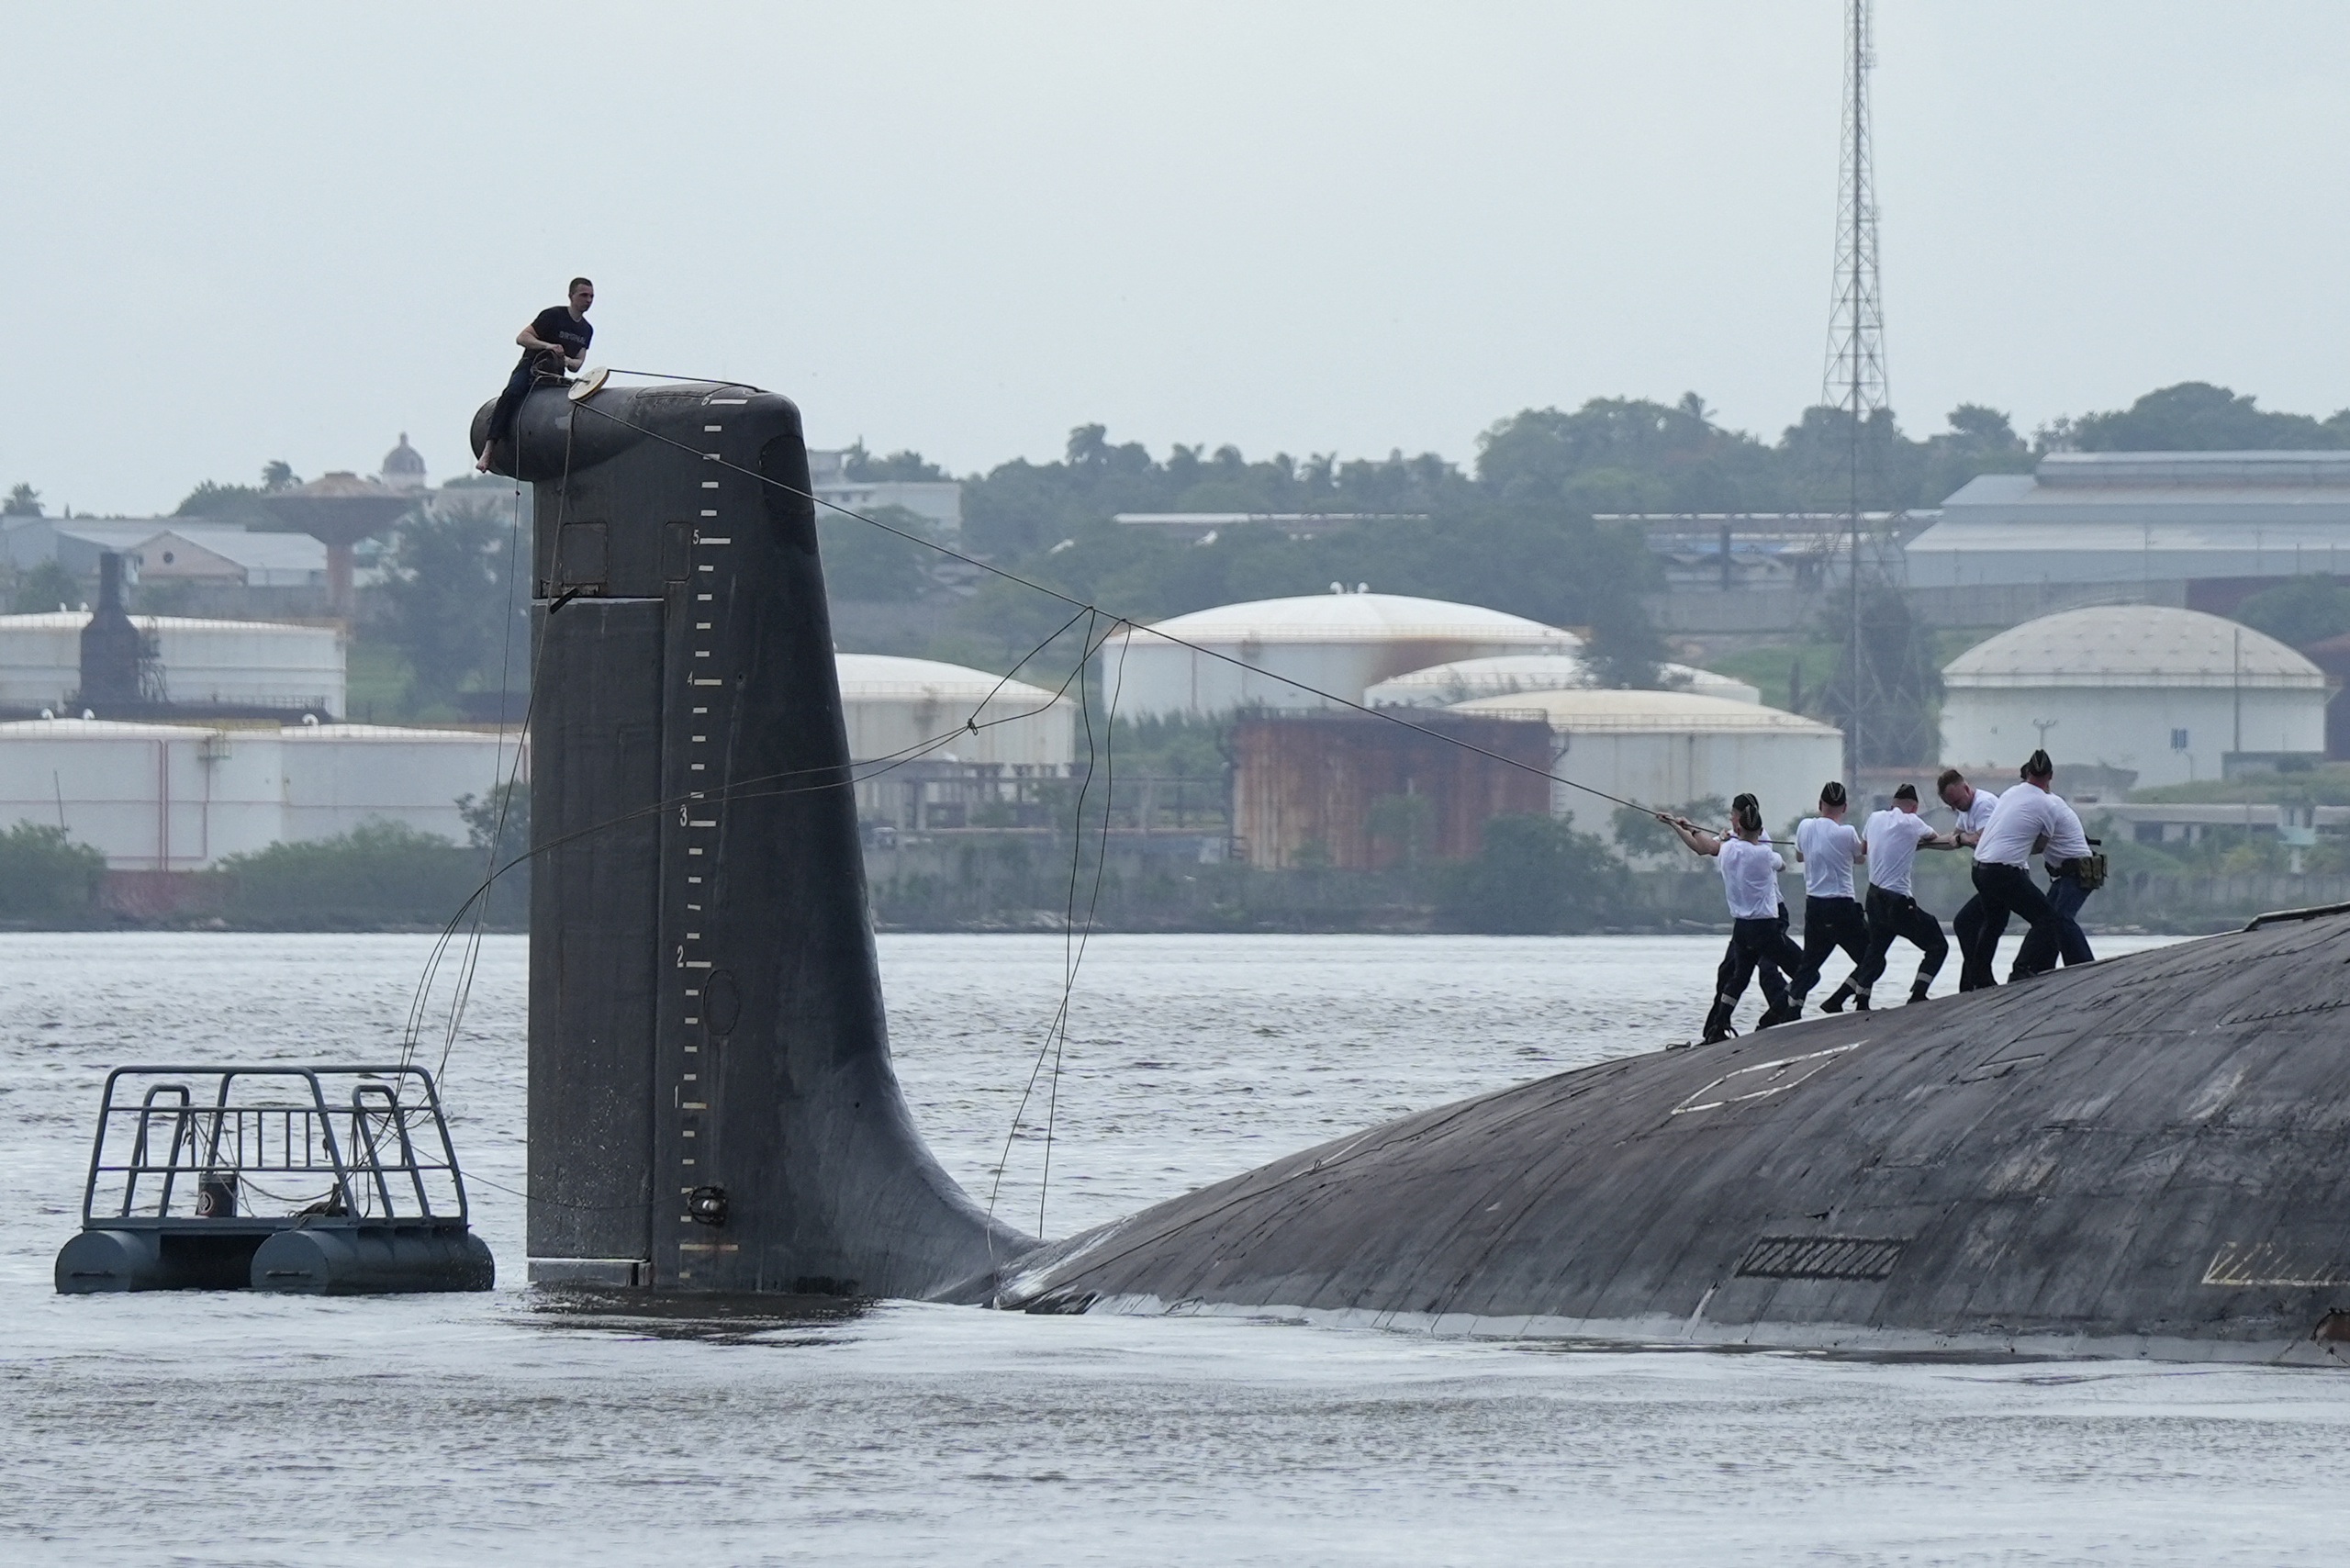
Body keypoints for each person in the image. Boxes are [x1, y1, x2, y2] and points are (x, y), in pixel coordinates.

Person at [1662, 793, 1806, 1043]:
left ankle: (1781, 1014)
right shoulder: (1734, 841)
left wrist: (1712, 835)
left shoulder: (1761, 843)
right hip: (1752, 920)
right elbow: (1702, 847)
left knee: (1766, 971)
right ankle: (1715, 1029)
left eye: (1733, 814)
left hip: (1770, 915)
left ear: (1741, 820)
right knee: (1730, 972)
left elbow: (1717, 848)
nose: (1730, 818)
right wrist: (1681, 826)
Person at [1825, 782, 1954, 1011]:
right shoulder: (1913, 822)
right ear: (1914, 807)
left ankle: (1855, 1000)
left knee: (1875, 951)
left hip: (1874, 898)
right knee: (1937, 944)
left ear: (1893, 803)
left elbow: (1864, 849)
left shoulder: (1874, 818)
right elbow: (1934, 838)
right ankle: (1918, 993)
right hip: (1898, 902)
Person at [1964, 750, 2075, 986]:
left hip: (1979, 868)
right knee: (2046, 918)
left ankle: (1979, 977)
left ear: (2027, 773)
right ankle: (2020, 968)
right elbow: (2039, 847)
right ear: (2050, 776)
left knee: (1994, 922)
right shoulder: (2048, 805)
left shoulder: (2009, 793)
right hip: (2004, 871)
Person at [476, 277, 597, 471]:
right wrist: (549, 346)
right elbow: (522, 338)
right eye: (584, 295)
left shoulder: (586, 329)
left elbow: (578, 364)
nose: (588, 300)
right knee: (512, 394)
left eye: (591, 296)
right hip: (531, 366)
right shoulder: (553, 315)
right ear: (571, 296)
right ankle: (489, 448)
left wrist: (565, 359)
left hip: (556, 375)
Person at [1788, 781, 1870, 1013]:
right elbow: (1861, 858)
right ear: (1844, 808)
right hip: (1842, 906)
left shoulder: (1805, 827)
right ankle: (1843, 998)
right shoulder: (1847, 832)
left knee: (1808, 964)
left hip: (1814, 905)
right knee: (1871, 958)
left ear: (1820, 804)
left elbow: (1799, 856)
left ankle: (1792, 1009)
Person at [2009, 771, 2098, 978]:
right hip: (2064, 873)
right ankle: (2040, 967)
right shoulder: (2044, 803)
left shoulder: (2049, 805)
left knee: (2061, 918)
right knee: (2047, 918)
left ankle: (2084, 967)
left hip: (2078, 871)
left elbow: (2036, 843)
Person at [1939, 767, 2002, 992]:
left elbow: (1978, 839)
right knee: (1972, 925)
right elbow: (1953, 839)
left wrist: (1962, 837)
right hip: (1988, 876)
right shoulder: (1965, 808)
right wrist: (1921, 844)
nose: (1956, 807)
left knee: (1967, 923)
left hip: (2002, 875)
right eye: (1951, 805)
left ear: (1966, 788)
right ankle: (1973, 981)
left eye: (1957, 801)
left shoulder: (1984, 804)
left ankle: (1978, 978)